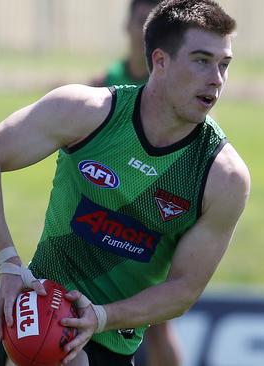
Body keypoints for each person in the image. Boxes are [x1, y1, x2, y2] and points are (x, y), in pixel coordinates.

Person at [0, 1, 250, 365]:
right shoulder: (84, 112)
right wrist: (8, 267)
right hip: (38, 322)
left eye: (224, 65)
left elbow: (184, 290)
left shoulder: (222, 176)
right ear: (161, 61)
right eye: (202, 60)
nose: (216, 78)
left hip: (111, 339)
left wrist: (102, 316)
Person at [92, 2, 182, 365]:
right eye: (139, 20)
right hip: (102, 218)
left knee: (155, 322)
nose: (144, 29)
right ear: (126, 24)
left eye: (152, 22)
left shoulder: (179, 87)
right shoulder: (102, 85)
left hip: (153, 217)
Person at [91, 0, 160, 87]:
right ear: (127, 25)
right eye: (141, 21)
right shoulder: (104, 83)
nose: (147, 32)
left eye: (153, 25)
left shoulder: (166, 85)